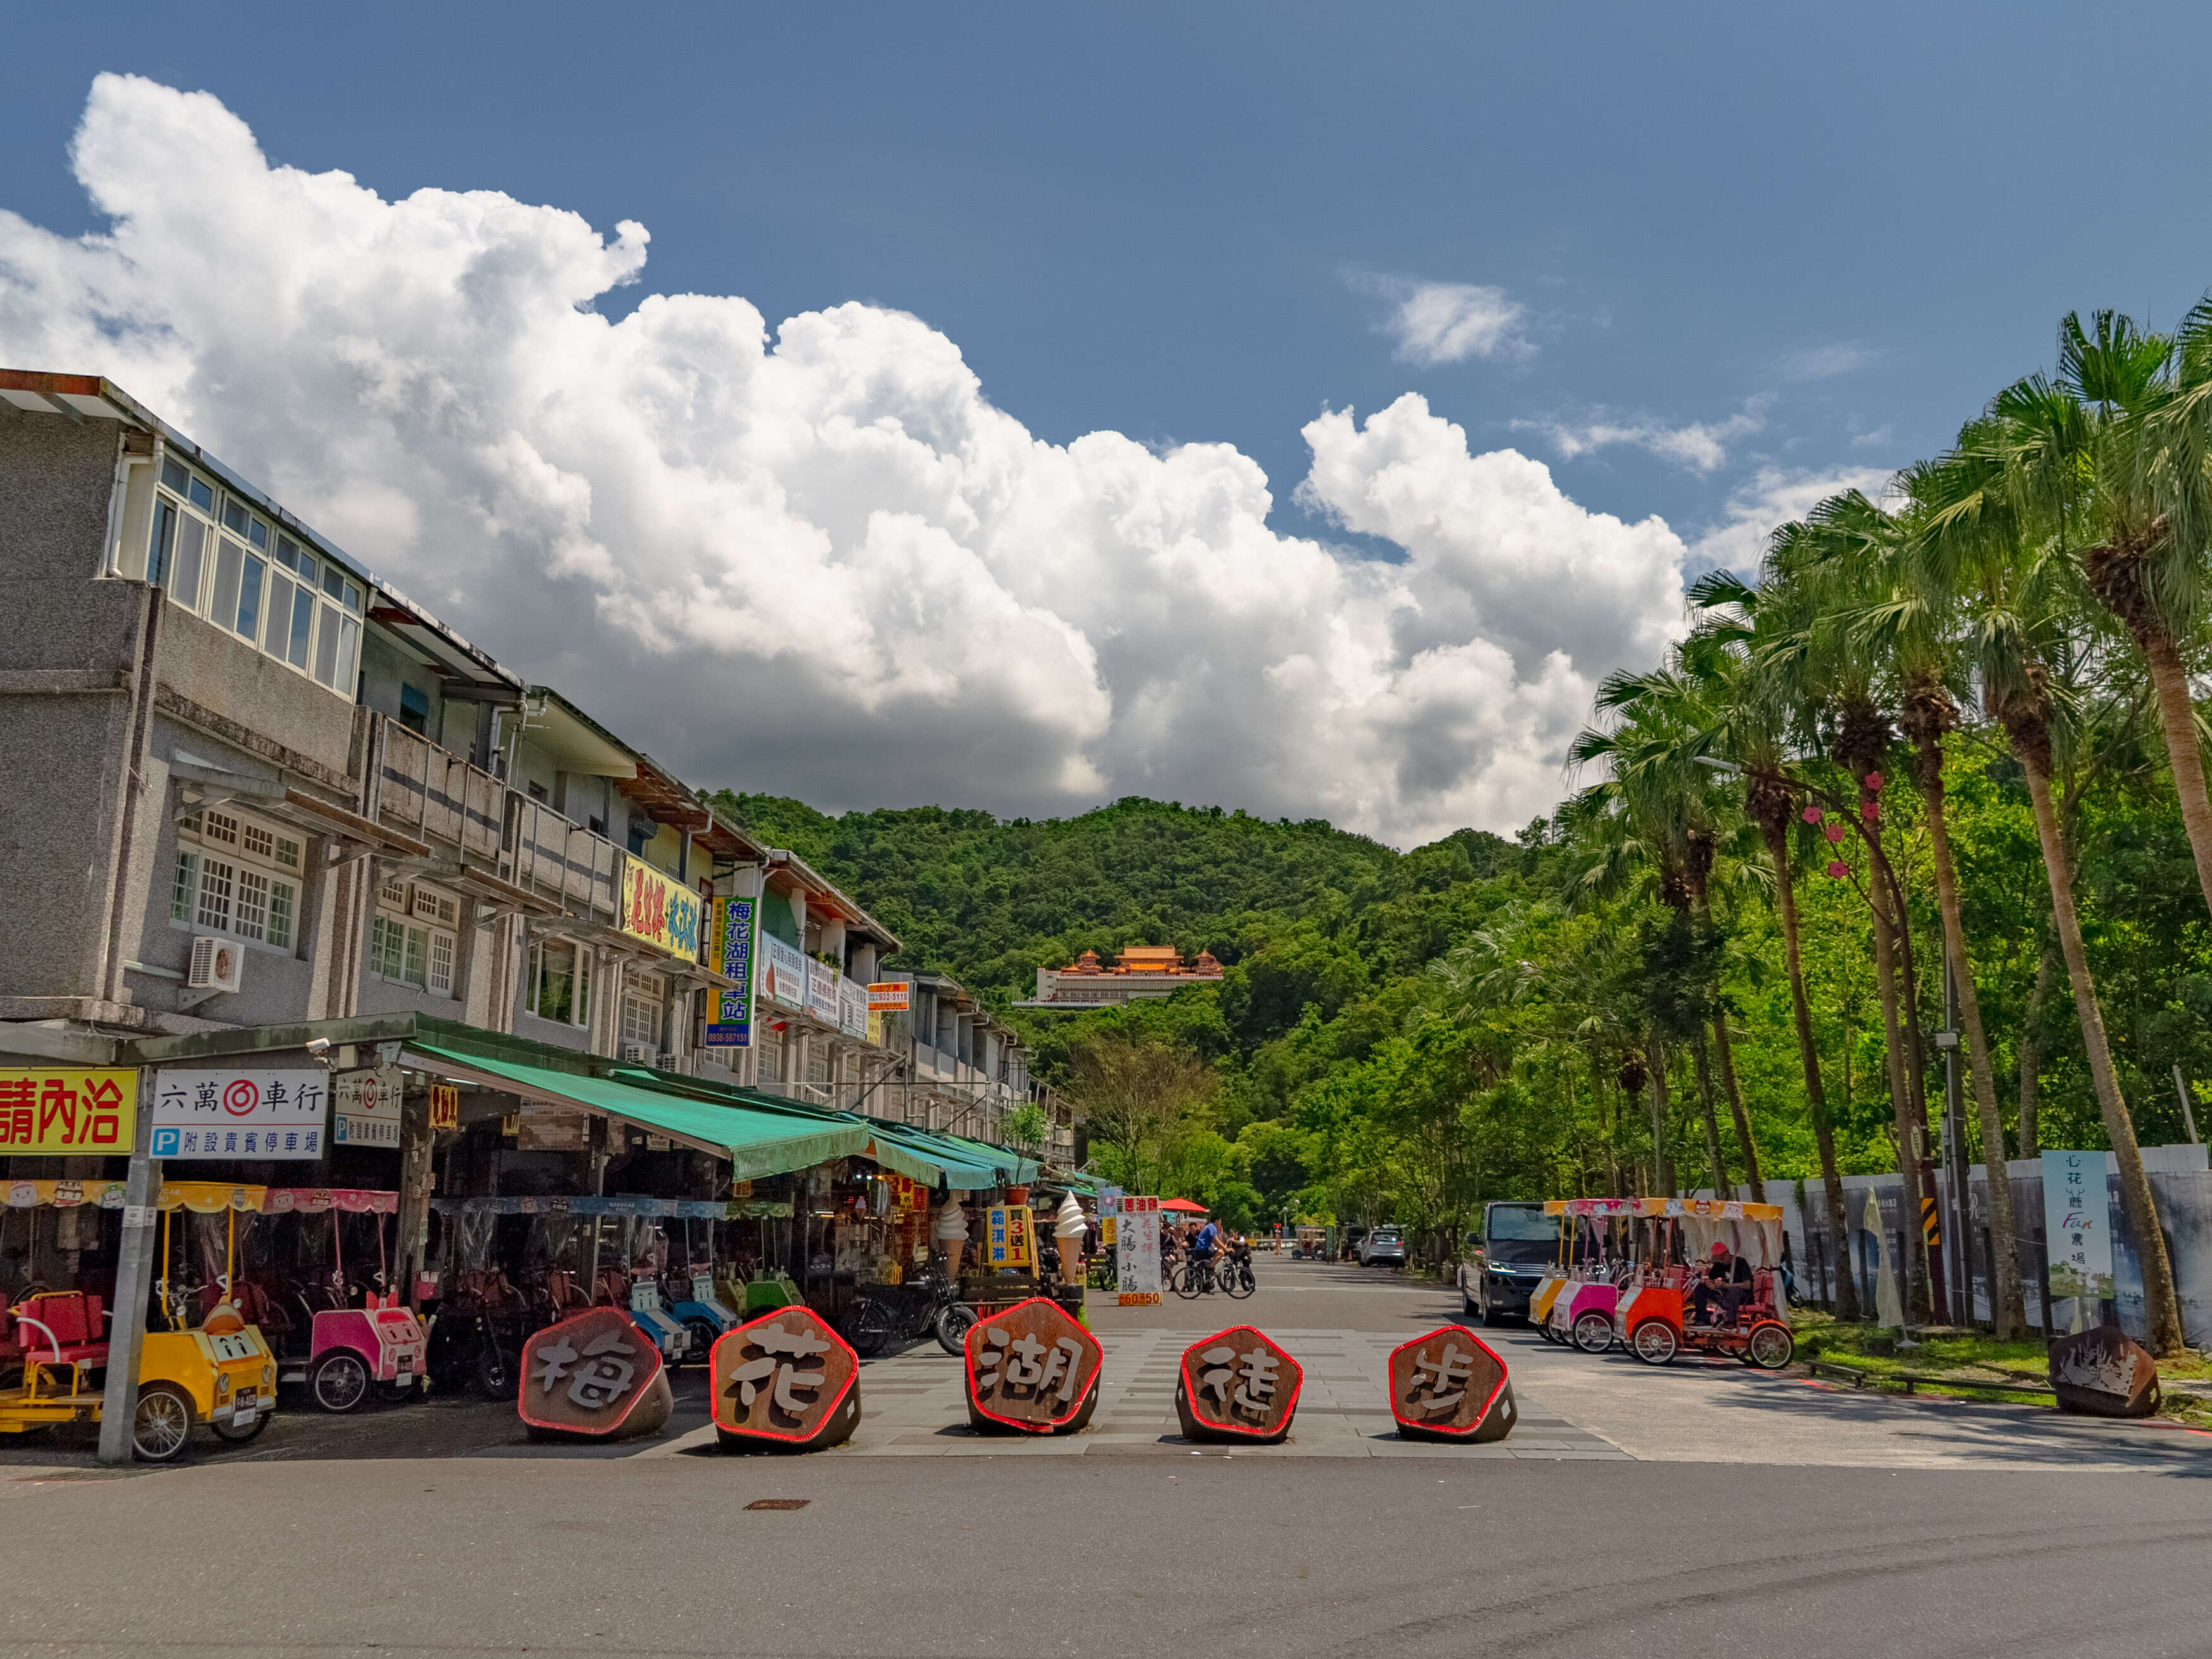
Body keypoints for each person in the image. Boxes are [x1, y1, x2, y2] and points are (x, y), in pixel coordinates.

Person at [1690, 1240, 1753, 1326]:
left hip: (1741, 1297)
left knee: (1733, 1290)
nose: (1720, 1262)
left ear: (1727, 1254)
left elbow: (1748, 1285)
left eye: (1721, 1259)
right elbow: (1711, 1279)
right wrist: (1711, 1284)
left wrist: (1727, 1286)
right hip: (1723, 1295)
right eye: (1718, 1260)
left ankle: (1730, 1322)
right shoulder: (1718, 1265)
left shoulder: (1741, 1262)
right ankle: (1703, 1319)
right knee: (1701, 1287)